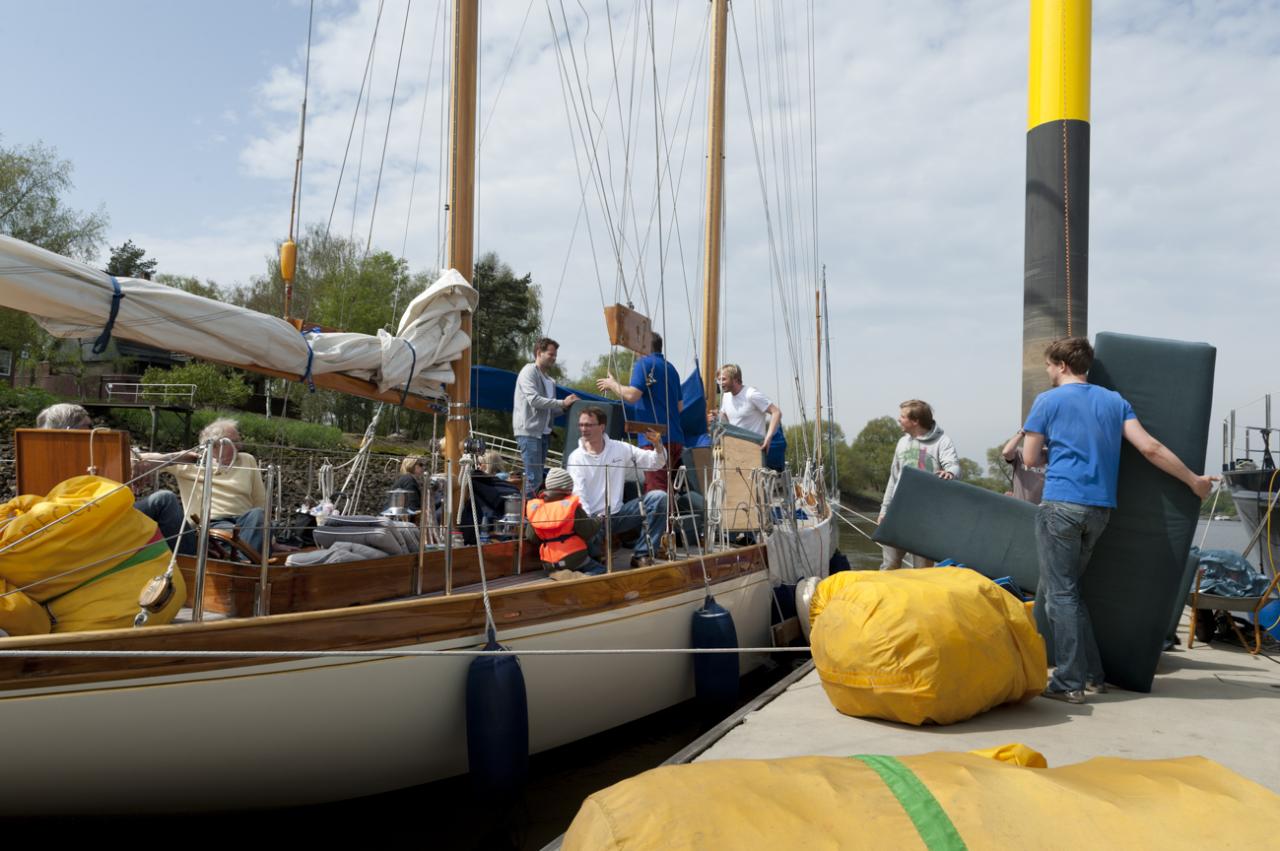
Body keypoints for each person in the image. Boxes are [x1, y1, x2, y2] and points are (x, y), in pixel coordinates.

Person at [1023, 337, 1214, 704]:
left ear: (1062, 365)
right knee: (1071, 594)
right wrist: (1194, 481)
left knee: (1058, 597)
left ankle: (1068, 682)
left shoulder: (1047, 401)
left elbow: (1030, 459)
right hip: (1100, 510)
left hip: (1061, 505)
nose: (1047, 372)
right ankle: (1093, 675)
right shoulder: (1114, 402)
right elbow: (1150, 448)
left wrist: (1055, 444)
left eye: (1048, 365)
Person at [35, 403, 196, 556]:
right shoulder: (92, 450)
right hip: (97, 524)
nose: (94, 431)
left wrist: (158, 459)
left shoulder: (35, 453)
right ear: (71, 430)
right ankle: (193, 568)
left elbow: (139, 457)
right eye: (89, 426)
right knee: (164, 500)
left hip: (54, 526)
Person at [139, 418, 269, 558]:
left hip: (245, 523)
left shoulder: (247, 460)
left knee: (258, 513)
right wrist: (176, 456)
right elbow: (140, 459)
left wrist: (270, 539)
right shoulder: (191, 462)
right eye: (234, 442)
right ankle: (243, 565)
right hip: (211, 525)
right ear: (215, 446)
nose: (240, 446)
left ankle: (241, 564)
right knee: (230, 531)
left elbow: (260, 501)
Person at [565, 405, 669, 568]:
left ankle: (642, 555)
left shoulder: (620, 448)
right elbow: (579, 494)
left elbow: (656, 462)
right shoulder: (576, 458)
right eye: (581, 425)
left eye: (589, 425)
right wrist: (591, 522)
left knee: (660, 498)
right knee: (593, 559)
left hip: (618, 514)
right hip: (592, 518)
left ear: (602, 427)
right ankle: (594, 558)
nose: (584, 429)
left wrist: (657, 445)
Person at [596, 332, 684, 493]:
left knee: (656, 490)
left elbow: (631, 396)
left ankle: (663, 519)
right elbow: (679, 407)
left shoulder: (644, 364)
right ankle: (670, 518)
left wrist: (612, 384)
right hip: (675, 438)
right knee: (665, 487)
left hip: (655, 439)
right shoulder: (671, 368)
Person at [878, 399, 961, 569]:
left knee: (922, 570)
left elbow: (954, 465)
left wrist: (950, 473)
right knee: (889, 565)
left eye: (902, 416)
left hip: (926, 518)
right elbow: (893, 479)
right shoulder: (902, 442)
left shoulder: (942, 441)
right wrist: (884, 510)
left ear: (915, 421)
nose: (898, 419)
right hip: (897, 513)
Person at [513, 337, 580, 497]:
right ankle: (526, 518)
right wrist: (562, 402)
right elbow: (534, 401)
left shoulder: (550, 380)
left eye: (555, 355)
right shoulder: (528, 371)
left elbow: (550, 410)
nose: (554, 358)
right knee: (533, 478)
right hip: (529, 433)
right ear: (539, 353)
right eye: (551, 354)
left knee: (536, 479)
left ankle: (530, 515)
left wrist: (565, 407)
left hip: (543, 434)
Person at [524, 467, 605, 576]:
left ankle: (557, 574)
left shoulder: (537, 509)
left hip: (549, 562)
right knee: (600, 569)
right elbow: (588, 531)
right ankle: (578, 577)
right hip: (573, 557)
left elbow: (531, 537)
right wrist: (598, 520)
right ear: (568, 488)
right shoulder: (571, 507)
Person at [710, 364, 784, 471]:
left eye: (723, 379)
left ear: (735, 379)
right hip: (735, 449)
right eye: (719, 380)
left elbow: (776, 412)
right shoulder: (726, 396)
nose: (720, 383)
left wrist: (768, 438)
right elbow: (727, 419)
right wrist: (717, 416)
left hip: (754, 449)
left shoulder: (751, 394)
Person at [1000, 428, 1048, 504]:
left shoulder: (1053, 457)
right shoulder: (1020, 453)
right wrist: (1022, 432)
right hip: (1020, 507)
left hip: (1043, 510)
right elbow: (1006, 452)